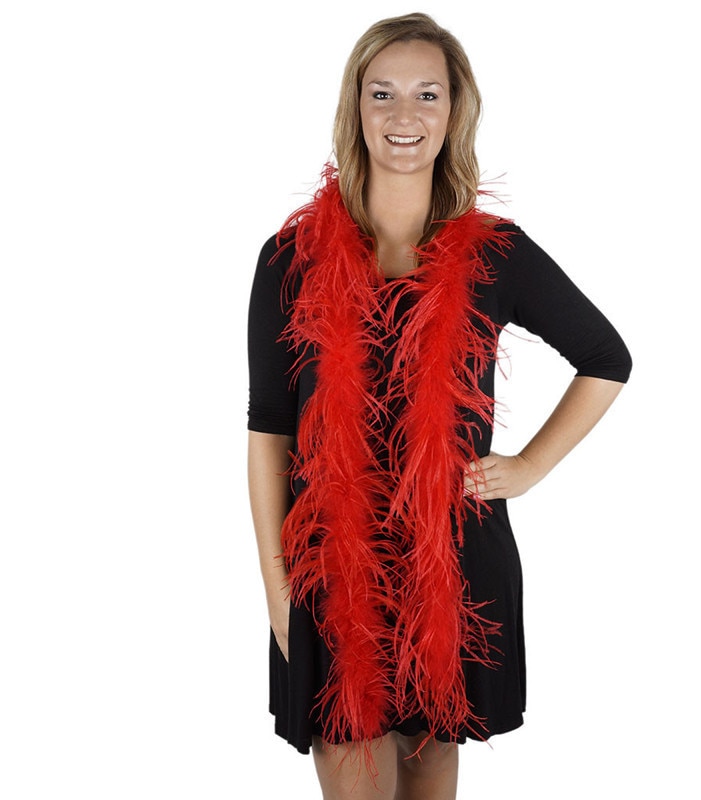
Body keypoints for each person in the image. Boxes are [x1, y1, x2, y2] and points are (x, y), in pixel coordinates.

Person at [247, 12, 631, 800]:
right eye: (382, 93)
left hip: (452, 565)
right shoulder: (290, 258)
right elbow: (269, 432)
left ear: (455, 111)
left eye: (427, 94)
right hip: (330, 570)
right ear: (355, 107)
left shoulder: (496, 253)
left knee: (430, 767)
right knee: (352, 761)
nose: (404, 115)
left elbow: (606, 358)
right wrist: (278, 589)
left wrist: (528, 467)